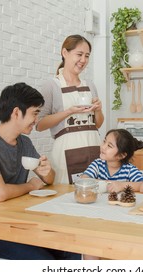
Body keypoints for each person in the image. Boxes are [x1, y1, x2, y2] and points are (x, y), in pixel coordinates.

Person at [0, 82, 80, 260]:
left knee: (73, 250)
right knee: (45, 261)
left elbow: (49, 180)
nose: (37, 120)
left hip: (17, 222)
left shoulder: (24, 143)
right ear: (16, 113)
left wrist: (46, 171)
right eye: (35, 113)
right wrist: (30, 186)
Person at [37, 34, 104, 184]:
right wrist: (69, 111)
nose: (83, 60)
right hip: (66, 153)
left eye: (87, 56)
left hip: (94, 148)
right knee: (67, 198)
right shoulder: (51, 85)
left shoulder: (90, 85)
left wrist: (98, 110)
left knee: (95, 193)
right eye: (79, 54)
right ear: (64, 53)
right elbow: (39, 124)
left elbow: (98, 124)